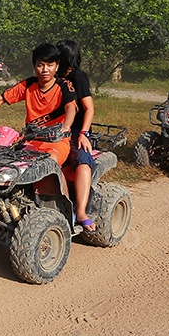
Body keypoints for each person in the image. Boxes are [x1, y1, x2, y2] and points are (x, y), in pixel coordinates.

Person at [0, 42, 77, 165]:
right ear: (34, 66)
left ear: (57, 67)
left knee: (48, 166)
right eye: (40, 65)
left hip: (56, 141)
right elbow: (2, 98)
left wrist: (65, 126)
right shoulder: (28, 85)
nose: (45, 70)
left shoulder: (64, 86)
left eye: (50, 65)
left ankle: (62, 184)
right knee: (6, 165)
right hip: (30, 139)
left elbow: (71, 107)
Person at [55, 39, 97, 231]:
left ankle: (80, 212)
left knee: (82, 158)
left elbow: (89, 108)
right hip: (55, 129)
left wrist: (83, 133)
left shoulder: (77, 77)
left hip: (76, 131)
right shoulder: (54, 77)